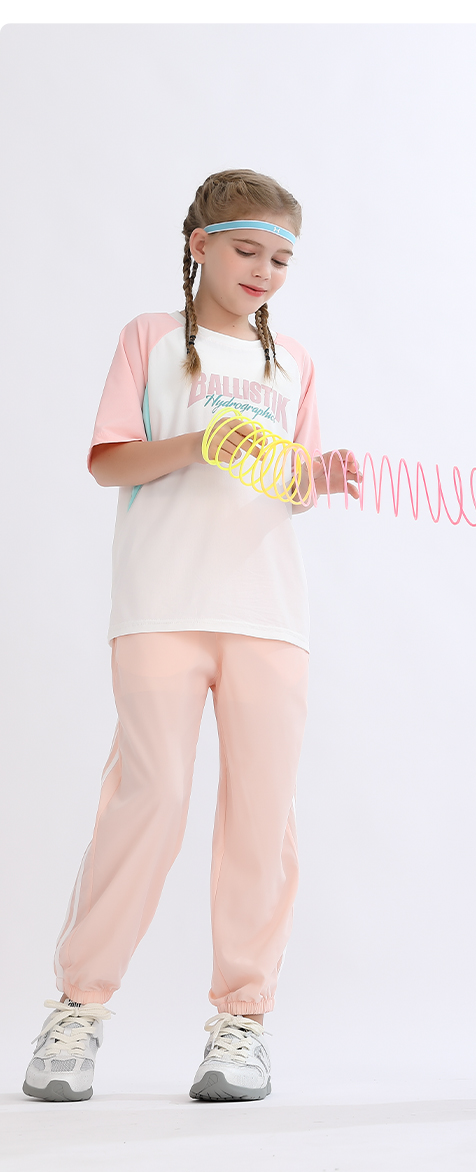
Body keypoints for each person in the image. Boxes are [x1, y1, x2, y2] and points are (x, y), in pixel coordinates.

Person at [23, 169, 356, 1103]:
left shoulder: (295, 362)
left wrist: (321, 474)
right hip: (160, 606)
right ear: (200, 244)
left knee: (261, 815)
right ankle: (78, 1009)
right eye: (248, 249)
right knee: (152, 798)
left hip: (269, 616)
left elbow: (291, 483)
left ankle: (242, 1021)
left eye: (282, 258)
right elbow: (109, 461)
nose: (265, 270)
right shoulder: (150, 339)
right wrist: (203, 440)